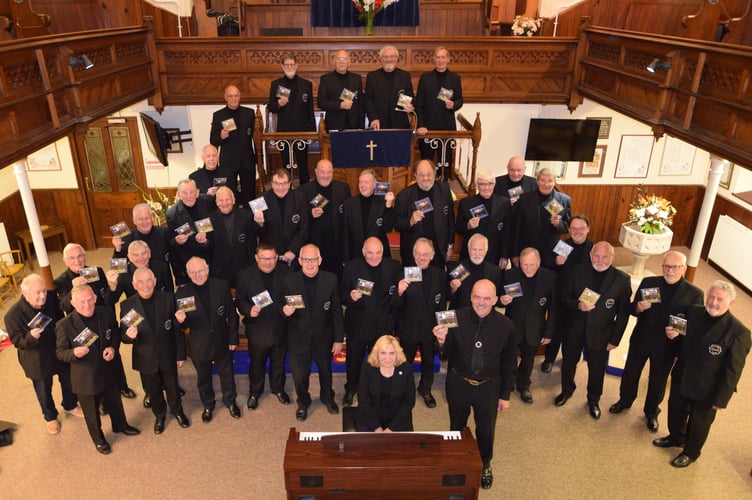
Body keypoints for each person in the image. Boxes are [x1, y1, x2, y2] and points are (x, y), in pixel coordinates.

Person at [653, 281, 751, 468]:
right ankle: (676, 437)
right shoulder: (694, 312)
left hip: (708, 387)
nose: (713, 302)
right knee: (675, 409)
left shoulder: (739, 333)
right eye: (711, 296)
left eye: (719, 299)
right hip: (682, 374)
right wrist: (674, 333)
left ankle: (691, 453)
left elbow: (733, 370)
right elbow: (682, 332)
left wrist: (721, 399)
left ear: (730, 303)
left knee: (699, 422)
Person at [432, 279, 517, 490]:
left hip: (489, 386)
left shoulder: (507, 325)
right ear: (470, 297)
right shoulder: (454, 317)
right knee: (456, 426)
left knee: (486, 429)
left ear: (495, 300)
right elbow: (444, 356)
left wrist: (505, 395)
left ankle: (485, 463)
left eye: (487, 298)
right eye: (477, 297)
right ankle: (456, 458)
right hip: (459, 383)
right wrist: (441, 341)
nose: (481, 302)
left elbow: (509, 363)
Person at [609, 251, 703, 432]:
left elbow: (694, 325)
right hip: (641, 339)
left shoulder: (694, 294)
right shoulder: (650, 283)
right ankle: (625, 400)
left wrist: (678, 335)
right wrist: (637, 307)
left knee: (657, 381)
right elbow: (631, 308)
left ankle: (651, 412)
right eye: (667, 266)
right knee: (631, 373)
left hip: (667, 346)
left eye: (675, 267)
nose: (670, 270)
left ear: (683, 268)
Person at [55, 285, 140, 454]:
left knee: (115, 401)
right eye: (81, 302)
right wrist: (74, 353)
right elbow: (60, 353)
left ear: (94, 298)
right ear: (72, 303)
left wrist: (113, 348)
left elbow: (115, 333)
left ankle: (121, 425)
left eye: (89, 300)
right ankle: (99, 439)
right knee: (91, 412)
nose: (87, 305)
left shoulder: (106, 312)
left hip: (108, 368)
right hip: (85, 377)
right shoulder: (64, 325)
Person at [555, 241, 631, 420]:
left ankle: (593, 400)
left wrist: (615, 339)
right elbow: (564, 296)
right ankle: (567, 390)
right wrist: (578, 305)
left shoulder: (622, 279)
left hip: (601, 334)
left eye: (605, 257)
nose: (600, 260)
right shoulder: (577, 271)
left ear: (612, 258)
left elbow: (623, 314)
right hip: (574, 328)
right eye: (596, 256)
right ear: (590, 255)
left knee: (597, 370)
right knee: (568, 363)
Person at [53, 243, 135, 400]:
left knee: (113, 354)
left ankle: (122, 385)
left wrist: (112, 287)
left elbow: (107, 299)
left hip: (102, 321)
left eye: (80, 256)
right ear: (65, 261)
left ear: (86, 256)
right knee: (93, 362)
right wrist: (72, 291)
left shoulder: (95, 271)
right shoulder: (61, 281)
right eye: (72, 258)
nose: (77, 260)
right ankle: (102, 398)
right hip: (82, 326)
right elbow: (63, 307)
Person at [6, 274, 82, 434]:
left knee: (68, 379)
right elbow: (17, 341)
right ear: (24, 294)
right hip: (36, 358)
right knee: (43, 390)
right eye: (37, 293)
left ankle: (70, 404)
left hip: (58, 349)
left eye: (44, 291)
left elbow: (63, 311)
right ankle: (50, 417)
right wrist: (31, 337)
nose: (42, 296)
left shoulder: (51, 298)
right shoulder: (12, 315)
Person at [119, 268, 190, 434]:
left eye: (149, 280)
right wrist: (129, 336)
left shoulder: (168, 298)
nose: (145, 285)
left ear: (155, 281)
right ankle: (160, 415)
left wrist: (180, 353)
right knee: (153, 389)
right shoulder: (127, 305)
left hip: (168, 354)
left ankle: (177, 411)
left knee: (172, 386)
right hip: (145, 357)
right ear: (134, 285)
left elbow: (177, 330)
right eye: (141, 282)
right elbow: (123, 335)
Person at [281, 244, 345, 421]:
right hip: (298, 338)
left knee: (326, 372)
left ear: (320, 260)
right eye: (306, 260)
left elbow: (337, 312)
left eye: (314, 259)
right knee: (300, 376)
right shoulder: (289, 281)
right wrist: (284, 312)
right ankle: (303, 402)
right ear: (300, 261)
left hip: (324, 338)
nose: (310, 263)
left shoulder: (331, 279)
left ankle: (328, 398)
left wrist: (339, 339)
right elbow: (282, 308)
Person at [175, 257, 241, 423]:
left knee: (227, 375)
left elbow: (231, 315)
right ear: (189, 274)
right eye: (193, 272)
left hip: (221, 340)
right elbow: (182, 327)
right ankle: (208, 405)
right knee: (203, 379)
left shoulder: (221, 286)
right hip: (199, 344)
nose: (198, 275)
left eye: (201, 270)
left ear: (207, 269)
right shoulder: (183, 294)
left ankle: (230, 402)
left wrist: (233, 338)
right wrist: (181, 321)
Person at [340, 237, 402, 407]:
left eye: (378, 253)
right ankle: (351, 388)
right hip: (357, 324)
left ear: (383, 251)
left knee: (379, 362)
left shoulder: (394, 267)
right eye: (370, 253)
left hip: (382, 325)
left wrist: (401, 292)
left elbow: (398, 298)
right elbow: (342, 293)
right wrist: (350, 297)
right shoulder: (351, 267)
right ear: (363, 252)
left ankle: (376, 391)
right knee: (353, 361)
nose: (374, 256)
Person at [392, 238, 447, 408]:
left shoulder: (439, 275)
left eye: (425, 254)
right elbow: (394, 306)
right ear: (413, 254)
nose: (421, 257)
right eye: (418, 254)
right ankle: (403, 391)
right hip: (408, 329)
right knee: (405, 364)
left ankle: (425, 390)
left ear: (432, 256)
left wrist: (442, 327)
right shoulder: (404, 274)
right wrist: (399, 292)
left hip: (430, 330)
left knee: (428, 363)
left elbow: (442, 302)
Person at [235, 243, 292, 410]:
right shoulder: (245, 275)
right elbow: (240, 300)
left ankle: (278, 389)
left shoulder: (286, 273)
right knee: (257, 363)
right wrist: (248, 310)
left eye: (271, 258)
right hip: (257, 325)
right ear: (256, 258)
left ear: (276, 258)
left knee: (279, 361)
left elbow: (291, 297)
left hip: (280, 324)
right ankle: (255, 392)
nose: (268, 262)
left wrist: (288, 309)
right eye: (264, 258)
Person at [499, 247, 556, 404]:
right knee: (509, 357)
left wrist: (549, 332)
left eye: (532, 264)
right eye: (525, 264)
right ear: (519, 263)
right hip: (512, 325)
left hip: (535, 327)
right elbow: (498, 297)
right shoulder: (510, 275)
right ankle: (508, 383)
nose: (528, 268)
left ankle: (524, 386)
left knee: (528, 359)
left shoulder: (549, 277)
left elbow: (553, 308)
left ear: (538, 263)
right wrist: (501, 300)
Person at [542, 214, 594, 373]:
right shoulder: (563, 245)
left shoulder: (593, 249)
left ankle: (569, 359)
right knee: (556, 328)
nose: (577, 232)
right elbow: (547, 264)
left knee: (574, 331)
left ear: (588, 230)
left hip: (580, 298)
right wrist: (556, 262)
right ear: (569, 229)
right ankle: (549, 358)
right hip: (560, 295)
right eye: (573, 228)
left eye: (581, 229)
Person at [393, 159, 455, 267]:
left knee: (436, 281)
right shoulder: (404, 196)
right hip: (413, 254)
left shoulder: (444, 190)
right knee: (414, 283)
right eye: (421, 175)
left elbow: (450, 220)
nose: (425, 178)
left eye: (428, 174)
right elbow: (396, 224)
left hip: (438, 250)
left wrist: (450, 246)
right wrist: (410, 221)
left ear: (434, 174)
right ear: (415, 175)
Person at [267, 52, 316, 185]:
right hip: (284, 131)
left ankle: (305, 189)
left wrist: (313, 132)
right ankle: (286, 189)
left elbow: (310, 109)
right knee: (286, 164)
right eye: (287, 65)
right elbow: (271, 106)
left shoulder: (306, 84)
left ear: (296, 65)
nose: (289, 67)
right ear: (282, 67)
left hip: (302, 131)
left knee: (303, 164)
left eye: (292, 64)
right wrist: (278, 104)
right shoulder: (276, 84)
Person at [415, 46, 463, 178]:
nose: (440, 60)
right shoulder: (425, 78)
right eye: (438, 57)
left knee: (445, 164)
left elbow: (460, 100)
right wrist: (421, 125)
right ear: (434, 59)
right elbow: (419, 104)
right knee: (426, 163)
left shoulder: (455, 78)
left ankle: (444, 189)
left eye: (443, 57)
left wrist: (453, 105)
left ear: (448, 59)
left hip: (446, 128)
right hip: (427, 128)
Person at [299, 159, 352, 277]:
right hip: (314, 245)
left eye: (329, 172)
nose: (325, 175)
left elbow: (348, 216)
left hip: (337, 246)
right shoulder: (304, 190)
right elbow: (298, 216)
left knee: (336, 279)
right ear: (316, 172)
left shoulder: (343, 188)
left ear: (333, 172)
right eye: (322, 172)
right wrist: (310, 214)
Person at [512, 167, 571, 269]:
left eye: (550, 181)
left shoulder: (564, 200)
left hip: (551, 254)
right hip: (528, 251)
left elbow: (568, 227)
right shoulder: (525, 199)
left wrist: (558, 224)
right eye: (543, 180)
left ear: (554, 182)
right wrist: (515, 253)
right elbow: (516, 228)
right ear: (537, 181)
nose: (546, 184)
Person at [356, 335, 415, 432]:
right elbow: (363, 400)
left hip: (397, 419)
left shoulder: (406, 369)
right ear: (377, 354)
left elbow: (409, 402)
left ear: (398, 354)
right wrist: (377, 428)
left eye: (392, 353)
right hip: (371, 417)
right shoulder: (367, 367)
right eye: (383, 353)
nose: (387, 358)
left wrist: (391, 429)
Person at [253, 168, 309, 269]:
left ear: (290, 183)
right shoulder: (260, 199)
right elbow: (257, 233)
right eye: (276, 183)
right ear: (271, 184)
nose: (280, 187)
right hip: (271, 258)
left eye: (284, 183)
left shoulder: (300, 197)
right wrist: (260, 224)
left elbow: (305, 229)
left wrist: (293, 250)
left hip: (294, 255)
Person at [210, 84, 257, 205]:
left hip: (247, 161)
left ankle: (249, 220)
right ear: (225, 97)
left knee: (250, 194)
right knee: (228, 193)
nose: (233, 98)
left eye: (236, 95)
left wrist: (257, 159)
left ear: (240, 97)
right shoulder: (218, 115)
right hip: (228, 163)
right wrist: (221, 136)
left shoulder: (249, 113)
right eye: (230, 96)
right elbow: (213, 140)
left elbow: (255, 137)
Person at [455, 170, 512, 267]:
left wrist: (504, 256)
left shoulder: (504, 203)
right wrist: (468, 225)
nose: (486, 188)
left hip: (494, 255)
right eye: (482, 184)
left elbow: (507, 231)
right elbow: (458, 227)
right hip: (470, 254)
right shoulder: (466, 203)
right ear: (477, 185)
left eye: (490, 184)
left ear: (494, 185)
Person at [166, 178, 214, 285]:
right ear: (178, 194)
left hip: (211, 260)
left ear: (197, 192)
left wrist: (206, 241)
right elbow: (171, 244)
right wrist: (177, 241)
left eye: (192, 192)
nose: (189, 196)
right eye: (184, 193)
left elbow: (216, 231)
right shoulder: (172, 214)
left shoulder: (208, 202)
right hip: (189, 265)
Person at [342, 168, 395, 263]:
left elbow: (388, 228)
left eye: (366, 182)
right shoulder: (349, 204)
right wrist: (346, 259)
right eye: (360, 182)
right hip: (356, 257)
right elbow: (345, 235)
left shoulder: (384, 202)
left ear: (375, 184)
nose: (362, 185)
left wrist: (388, 206)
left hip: (378, 257)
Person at [208, 186, 256, 288]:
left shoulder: (247, 216)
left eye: (227, 199)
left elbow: (252, 244)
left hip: (243, 267)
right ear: (216, 202)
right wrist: (203, 242)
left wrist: (253, 267)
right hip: (220, 270)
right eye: (221, 200)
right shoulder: (209, 219)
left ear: (233, 200)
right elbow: (208, 246)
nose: (224, 203)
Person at [111, 203, 172, 276]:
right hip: (138, 283)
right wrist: (118, 250)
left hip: (162, 279)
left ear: (152, 218)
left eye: (147, 218)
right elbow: (117, 269)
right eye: (140, 219)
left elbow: (175, 258)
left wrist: (180, 280)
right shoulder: (126, 238)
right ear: (134, 220)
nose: (144, 222)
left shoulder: (165, 233)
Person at [446, 234, 503, 310]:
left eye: (480, 250)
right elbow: (446, 296)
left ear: (486, 251)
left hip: (484, 315)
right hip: (461, 314)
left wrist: (503, 301)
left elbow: (498, 299)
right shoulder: (457, 268)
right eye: (474, 249)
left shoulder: (495, 271)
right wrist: (452, 289)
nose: (477, 253)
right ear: (468, 249)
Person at [364, 45, 414, 130]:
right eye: (386, 57)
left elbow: (410, 96)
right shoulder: (372, 77)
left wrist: (410, 106)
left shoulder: (404, 76)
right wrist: (373, 118)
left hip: (400, 124)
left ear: (397, 58)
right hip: (378, 123)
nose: (389, 59)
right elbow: (368, 101)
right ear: (381, 58)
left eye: (392, 56)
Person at [317, 49, 365, 131]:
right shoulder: (326, 79)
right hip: (334, 125)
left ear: (349, 62)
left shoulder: (356, 79)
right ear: (334, 61)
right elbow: (321, 103)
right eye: (339, 59)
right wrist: (340, 105)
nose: (341, 62)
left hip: (354, 126)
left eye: (344, 59)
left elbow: (361, 104)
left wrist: (361, 126)